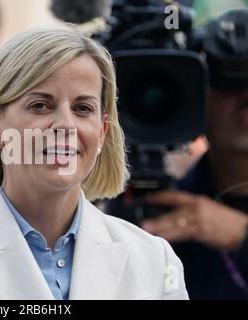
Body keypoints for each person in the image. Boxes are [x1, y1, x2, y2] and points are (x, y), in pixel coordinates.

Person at [0, 27, 189, 300]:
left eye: (82, 108)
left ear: (103, 130)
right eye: (40, 105)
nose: (65, 125)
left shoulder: (155, 261)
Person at [141, 10, 248, 299]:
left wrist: (242, 237)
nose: (246, 99)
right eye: (231, 81)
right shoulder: (165, 212)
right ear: (198, 93)